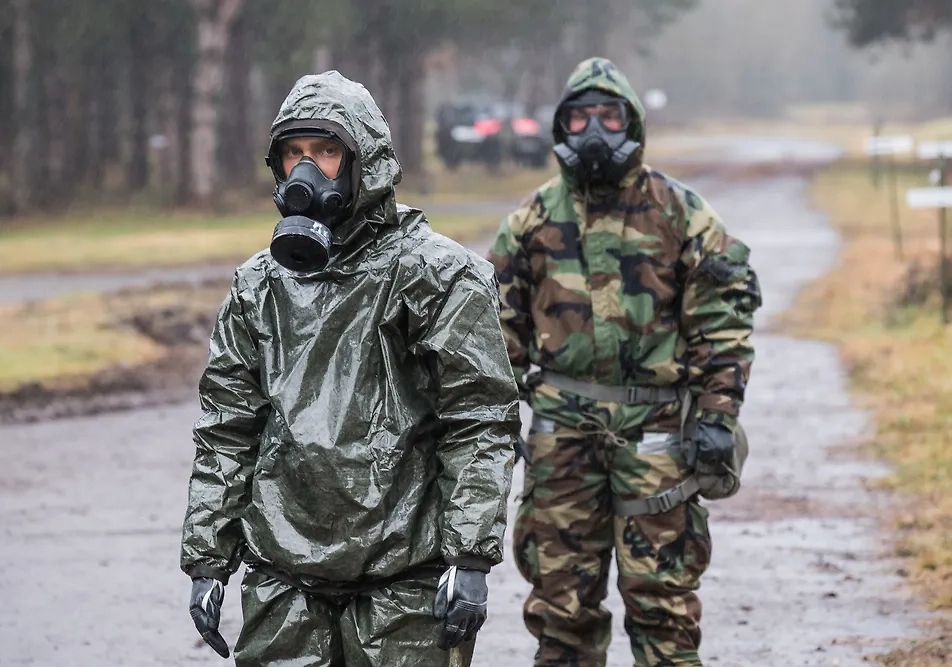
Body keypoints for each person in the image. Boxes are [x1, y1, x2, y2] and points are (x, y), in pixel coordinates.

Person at [180, 70, 521, 666]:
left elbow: (479, 419)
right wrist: (208, 558)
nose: (307, 171)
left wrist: (470, 557)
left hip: (404, 585)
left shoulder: (437, 276)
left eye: (326, 152)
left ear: (365, 160)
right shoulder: (258, 286)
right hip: (283, 583)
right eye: (294, 154)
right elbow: (228, 426)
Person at [488, 57, 762, 667]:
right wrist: (486, 433)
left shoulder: (680, 213)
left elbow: (723, 320)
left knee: (664, 608)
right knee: (561, 615)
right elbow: (494, 339)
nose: (594, 130)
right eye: (581, 116)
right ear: (561, 125)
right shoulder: (530, 222)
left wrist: (718, 416)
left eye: (608, 116)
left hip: (657, 438)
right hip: (563, 441)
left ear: (632, 123)